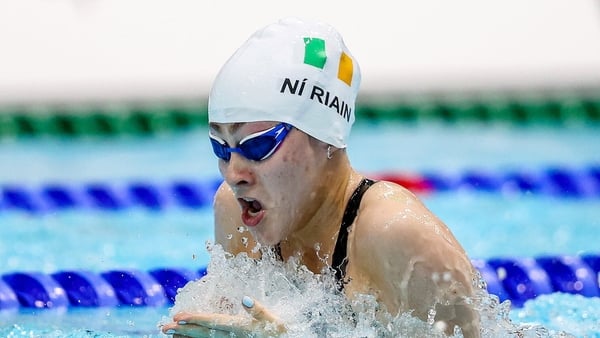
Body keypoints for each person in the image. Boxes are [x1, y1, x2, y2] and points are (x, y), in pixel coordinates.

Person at [162, 17, 480, 337]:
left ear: (323, 136)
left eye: (257, 145)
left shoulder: (399, 236)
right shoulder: (233, 210)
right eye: (220, 147)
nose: (234, 174)